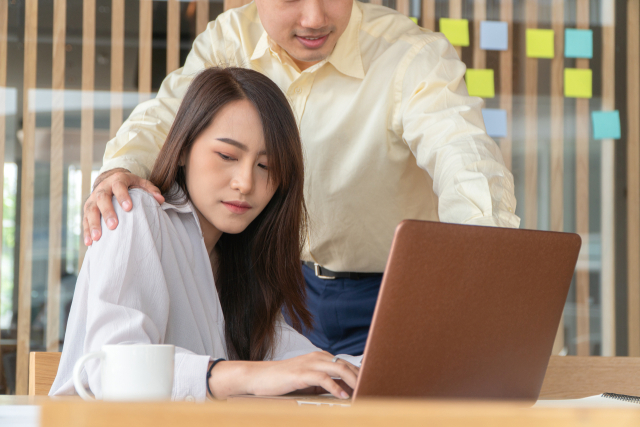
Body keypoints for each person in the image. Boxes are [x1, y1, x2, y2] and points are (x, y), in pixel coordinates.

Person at [82, 0, 520, 357]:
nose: (314, 18)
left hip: (386, 293)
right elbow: (168, 117)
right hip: (272, 283)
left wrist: (481, 261)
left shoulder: (410, 55)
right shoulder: (229, 38)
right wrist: (121, 168)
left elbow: (465, 158)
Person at [50, 67, 358, 402]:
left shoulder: (241, 261)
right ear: (182, 149)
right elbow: (113, 369)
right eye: (227, 156)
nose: (245, 183)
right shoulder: (136, 214)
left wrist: (362, 368)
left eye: (265, 166)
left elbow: (295, 363)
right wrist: (239, 375)